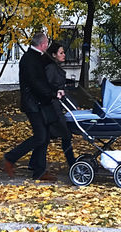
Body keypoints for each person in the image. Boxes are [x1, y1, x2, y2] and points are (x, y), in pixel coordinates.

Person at [2, 32, 63, 181]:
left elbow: (43, 80)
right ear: (42, 45)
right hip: (33, 104)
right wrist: (53, 94)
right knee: (41, 136)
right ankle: (11, 158)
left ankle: (38, 169)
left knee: (45, 135)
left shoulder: (35, 57)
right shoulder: (31, 60)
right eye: (47, 43)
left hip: (38, 103)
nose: (47, 46)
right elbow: (37, 84)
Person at [44, 42, 77, 170]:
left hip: (56, 105)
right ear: (54, 55)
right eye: (61, 53)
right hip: (53, 107)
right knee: (65, 134)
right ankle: (72, 162)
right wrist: (56, 92)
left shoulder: (55, 68)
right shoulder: (51, 69)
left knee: (44, 137)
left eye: (64, 52)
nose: (64, 55)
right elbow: (49, 86)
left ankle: (34, 163)